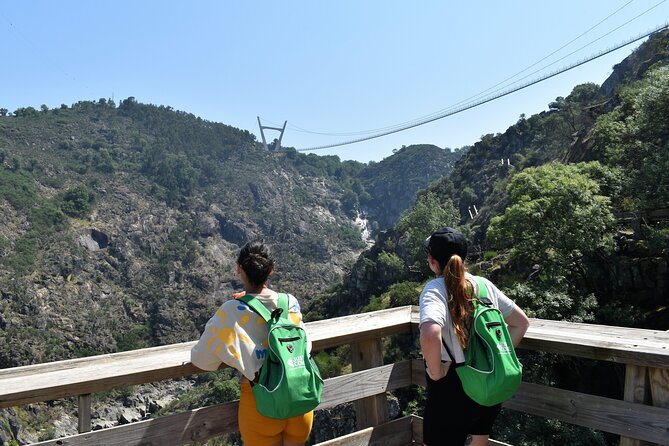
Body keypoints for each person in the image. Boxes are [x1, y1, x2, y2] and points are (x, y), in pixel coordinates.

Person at [191, 240, 314, 446]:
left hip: (261, 402)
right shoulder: (290, 302)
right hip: (299, 398)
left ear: (239, 269)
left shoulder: (231, 311)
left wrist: (241, 307)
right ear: (271, 270)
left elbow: (202, 360)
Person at [419, 227, 530, 446]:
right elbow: (521, 323)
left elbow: (431, 334)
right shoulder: (484, 285)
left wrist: (435, 371)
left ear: (432, 261)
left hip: (451, 385)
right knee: (479, 440)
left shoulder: (435, 289)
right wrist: (498, 354)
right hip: (487, 380)